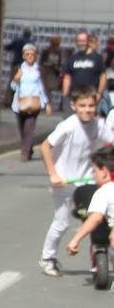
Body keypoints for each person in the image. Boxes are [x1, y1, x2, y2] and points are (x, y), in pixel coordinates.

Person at [38, 87, 109, 277]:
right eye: (82, 106)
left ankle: (98, 256)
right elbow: (45, 147)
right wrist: (53, 174)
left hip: (87, 183)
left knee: (96, 219)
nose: (87, 110)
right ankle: (47, 258)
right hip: (64, 182)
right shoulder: (68, 126)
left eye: (91, 106)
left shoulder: (99, 125)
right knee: (62, 222)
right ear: (73, 106)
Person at [63, 146, 114, 261]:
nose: (93, 176)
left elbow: (95, 218)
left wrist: (75, 239)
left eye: (94, 171)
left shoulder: (104, 191)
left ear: (104, 172)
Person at [10, 41, 51, 160]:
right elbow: (12, 87)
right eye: (27, 54)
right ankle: (29, 147)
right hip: (19, 104)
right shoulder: (18, 68)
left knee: (29, 127)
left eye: (32, 54)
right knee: (22, 129)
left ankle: (25, 153)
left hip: (34, 102)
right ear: (23, 56)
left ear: (35, 56)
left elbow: (43, 87)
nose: (29, 57)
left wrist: (48, 103)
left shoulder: (39, 70)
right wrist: (16, 79)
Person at [61, 31, 105, 110]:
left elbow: (103, 76)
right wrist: (65, 95)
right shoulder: (72, 58)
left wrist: (99, 93)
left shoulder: (97, 58)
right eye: (79, 41)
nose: (81, 43)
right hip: (74, 97)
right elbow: (67, 77)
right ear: (76, 42)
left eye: (83, 41)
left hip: (90, 97)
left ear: (88, 41)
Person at [41, 34, 65, 106]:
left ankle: (58, 104)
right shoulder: (46, 50)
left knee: (55, 87)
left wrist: (58, 67)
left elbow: (60, 62)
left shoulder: (59, 51)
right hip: (46, 72)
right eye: (56, 43)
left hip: (55, 72)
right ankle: (49, 104)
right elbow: (41, 62)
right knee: (47, 89)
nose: (57, 45)